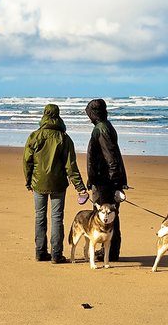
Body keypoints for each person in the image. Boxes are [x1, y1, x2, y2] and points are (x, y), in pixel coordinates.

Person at [24, 104, 88, 264]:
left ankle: (40, 252)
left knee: (40, 217)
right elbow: (71, 166)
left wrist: (28, 181)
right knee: (57, 218)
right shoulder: (64, 138)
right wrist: (80, 188)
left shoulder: (35, 136)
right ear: (58, 116)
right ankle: (56, 255)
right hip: (58, 183)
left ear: (44, 115)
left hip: (38, 181)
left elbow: (27, 161)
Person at [85, 98, 129, 262]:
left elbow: (111, 159)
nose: (88, 117)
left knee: (106, 217)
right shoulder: (105, 127)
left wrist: (115, 183)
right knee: (110, 216)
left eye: (89, 113)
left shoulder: (101, 129)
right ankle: (110, 251)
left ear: (93, 114)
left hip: (105, 182)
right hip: (105, 179)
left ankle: (108, 252)